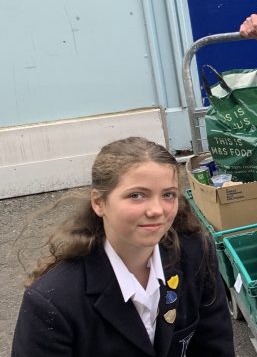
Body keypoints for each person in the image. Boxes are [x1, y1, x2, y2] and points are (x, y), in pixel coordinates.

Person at [12, 137, 234, 356]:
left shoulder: (195, 253)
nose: (157, 210)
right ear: (99, 203)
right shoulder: (53, 302)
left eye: (168, 195)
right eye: (136, 195)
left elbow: (214, 345)